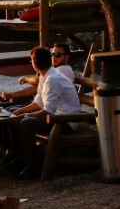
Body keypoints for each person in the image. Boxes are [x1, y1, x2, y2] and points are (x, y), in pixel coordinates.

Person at [5, 45, 83, 175]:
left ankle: (33, 167)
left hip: (66, 121)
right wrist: (18, 112)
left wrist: (24, 115)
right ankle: (19, 158)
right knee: (13, 114)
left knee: (26, 123)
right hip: (56, 116)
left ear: (34, 64)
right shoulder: (45, 75)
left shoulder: (53, 79)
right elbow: (39, 102)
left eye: (32, 60)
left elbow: (47, 111)